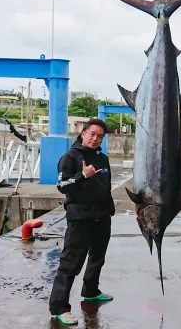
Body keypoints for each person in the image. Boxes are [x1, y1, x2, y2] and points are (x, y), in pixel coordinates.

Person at [49, 118, 115, 326]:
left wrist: (109, 209)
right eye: (92, 134)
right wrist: (82, 176)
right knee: (70, 263)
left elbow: (105, 186)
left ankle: (91, 290)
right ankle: (59, 306)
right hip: (80, 218)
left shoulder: (102, 158)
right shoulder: (70, 157)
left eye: (100, 136)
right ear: (83, 133)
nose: (95, 139)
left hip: (101, 216)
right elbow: (62, 186)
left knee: (97, 257)